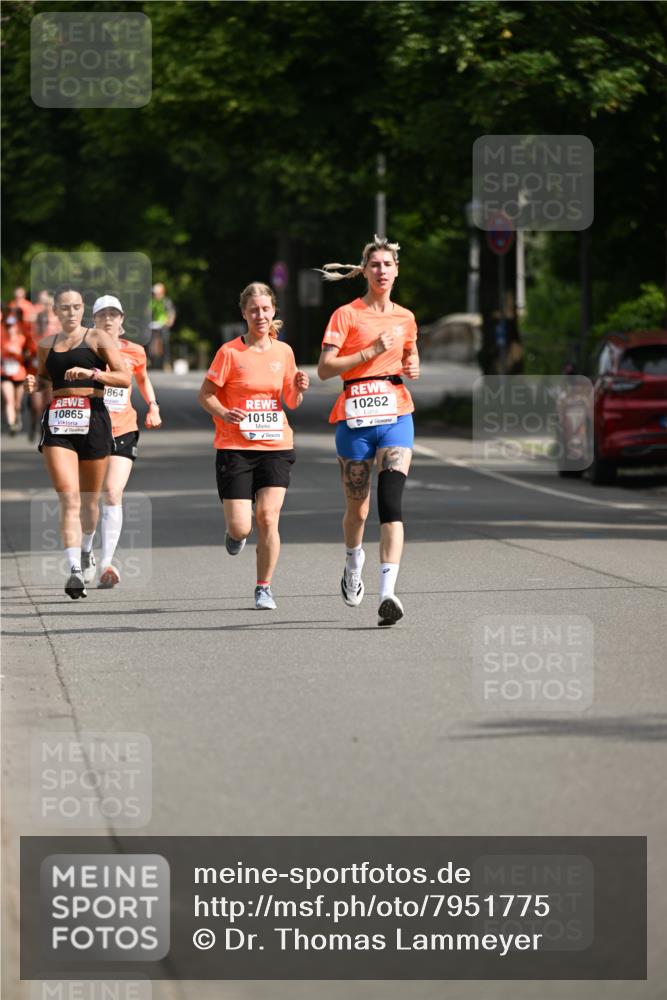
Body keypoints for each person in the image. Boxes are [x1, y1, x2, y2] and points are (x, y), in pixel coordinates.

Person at [316, 235, 420, 627]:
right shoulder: (347, 315)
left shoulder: (406, 317)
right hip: (354, 418)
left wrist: (412, 367)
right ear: (365, 270)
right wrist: (371, 351)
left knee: (391, 503)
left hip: (396, 414)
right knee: (358, 509)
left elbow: (410, 352)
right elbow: (325, 368)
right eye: (374, 265)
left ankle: (388, 592)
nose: (381, 271)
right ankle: (352, 561)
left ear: (396, 270)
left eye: (387, 265)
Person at [198, 281, 309, 610]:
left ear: (273, 310)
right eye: (253, 310)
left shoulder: (284, 352)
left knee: (268, 517)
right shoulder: (230, 352)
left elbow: (291, 401)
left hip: (275, 444)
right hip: (235, 446)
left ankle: (264, 587)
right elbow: (205, 395)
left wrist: (299, 386)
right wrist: (224, 412)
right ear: (244, 313)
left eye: (265, 309)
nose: (260, 315)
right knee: (242, 524)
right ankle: (235, 535)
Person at [23, 285, 131, 599]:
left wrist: (93, 373)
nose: (71, 312)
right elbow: (45, 378)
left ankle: (87, 548)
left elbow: (124, 377)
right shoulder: (47, 344)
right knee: (68, 496)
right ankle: (73, 571)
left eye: (76, 307)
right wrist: (34, 382)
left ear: (83, 309)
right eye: (65, 308)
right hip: (58, 421)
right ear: (56, 312)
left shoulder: (98, 339)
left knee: (89, 501)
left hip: (95, 418)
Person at [91, 294, 162, 588]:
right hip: (89, 429)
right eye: (102, 314)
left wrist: (153, 405)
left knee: (111, 491)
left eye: (114, 314)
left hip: (124, 428)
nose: (109, 319)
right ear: (93, 320)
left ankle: (107, 562)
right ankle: (85, 552)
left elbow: (142, 379)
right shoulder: (85, 351)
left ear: (121, 319)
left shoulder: (135, 351)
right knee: (87, 497)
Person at [1, 305, 28, 434]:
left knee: (17, 403)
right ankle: (11, 425)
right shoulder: (2, 340)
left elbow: (28, 356)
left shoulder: (22, 339)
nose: (10, 328)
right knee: (8, 399)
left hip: (20, 374)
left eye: (12, 326)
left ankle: (18, 417)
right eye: (8, 326)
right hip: (5, 373)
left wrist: (18, 353)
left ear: (16, 326)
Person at [149, 282, 176, 370]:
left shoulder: (166, 302)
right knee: (148, 342)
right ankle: (150, 361)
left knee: (165, 343)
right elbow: (147, 313)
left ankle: (166, 363)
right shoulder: (152, 302)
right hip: (153, 325)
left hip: (163, 325)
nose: (155, 295)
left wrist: (169, 321)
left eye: (157, 293)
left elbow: (171, 313)